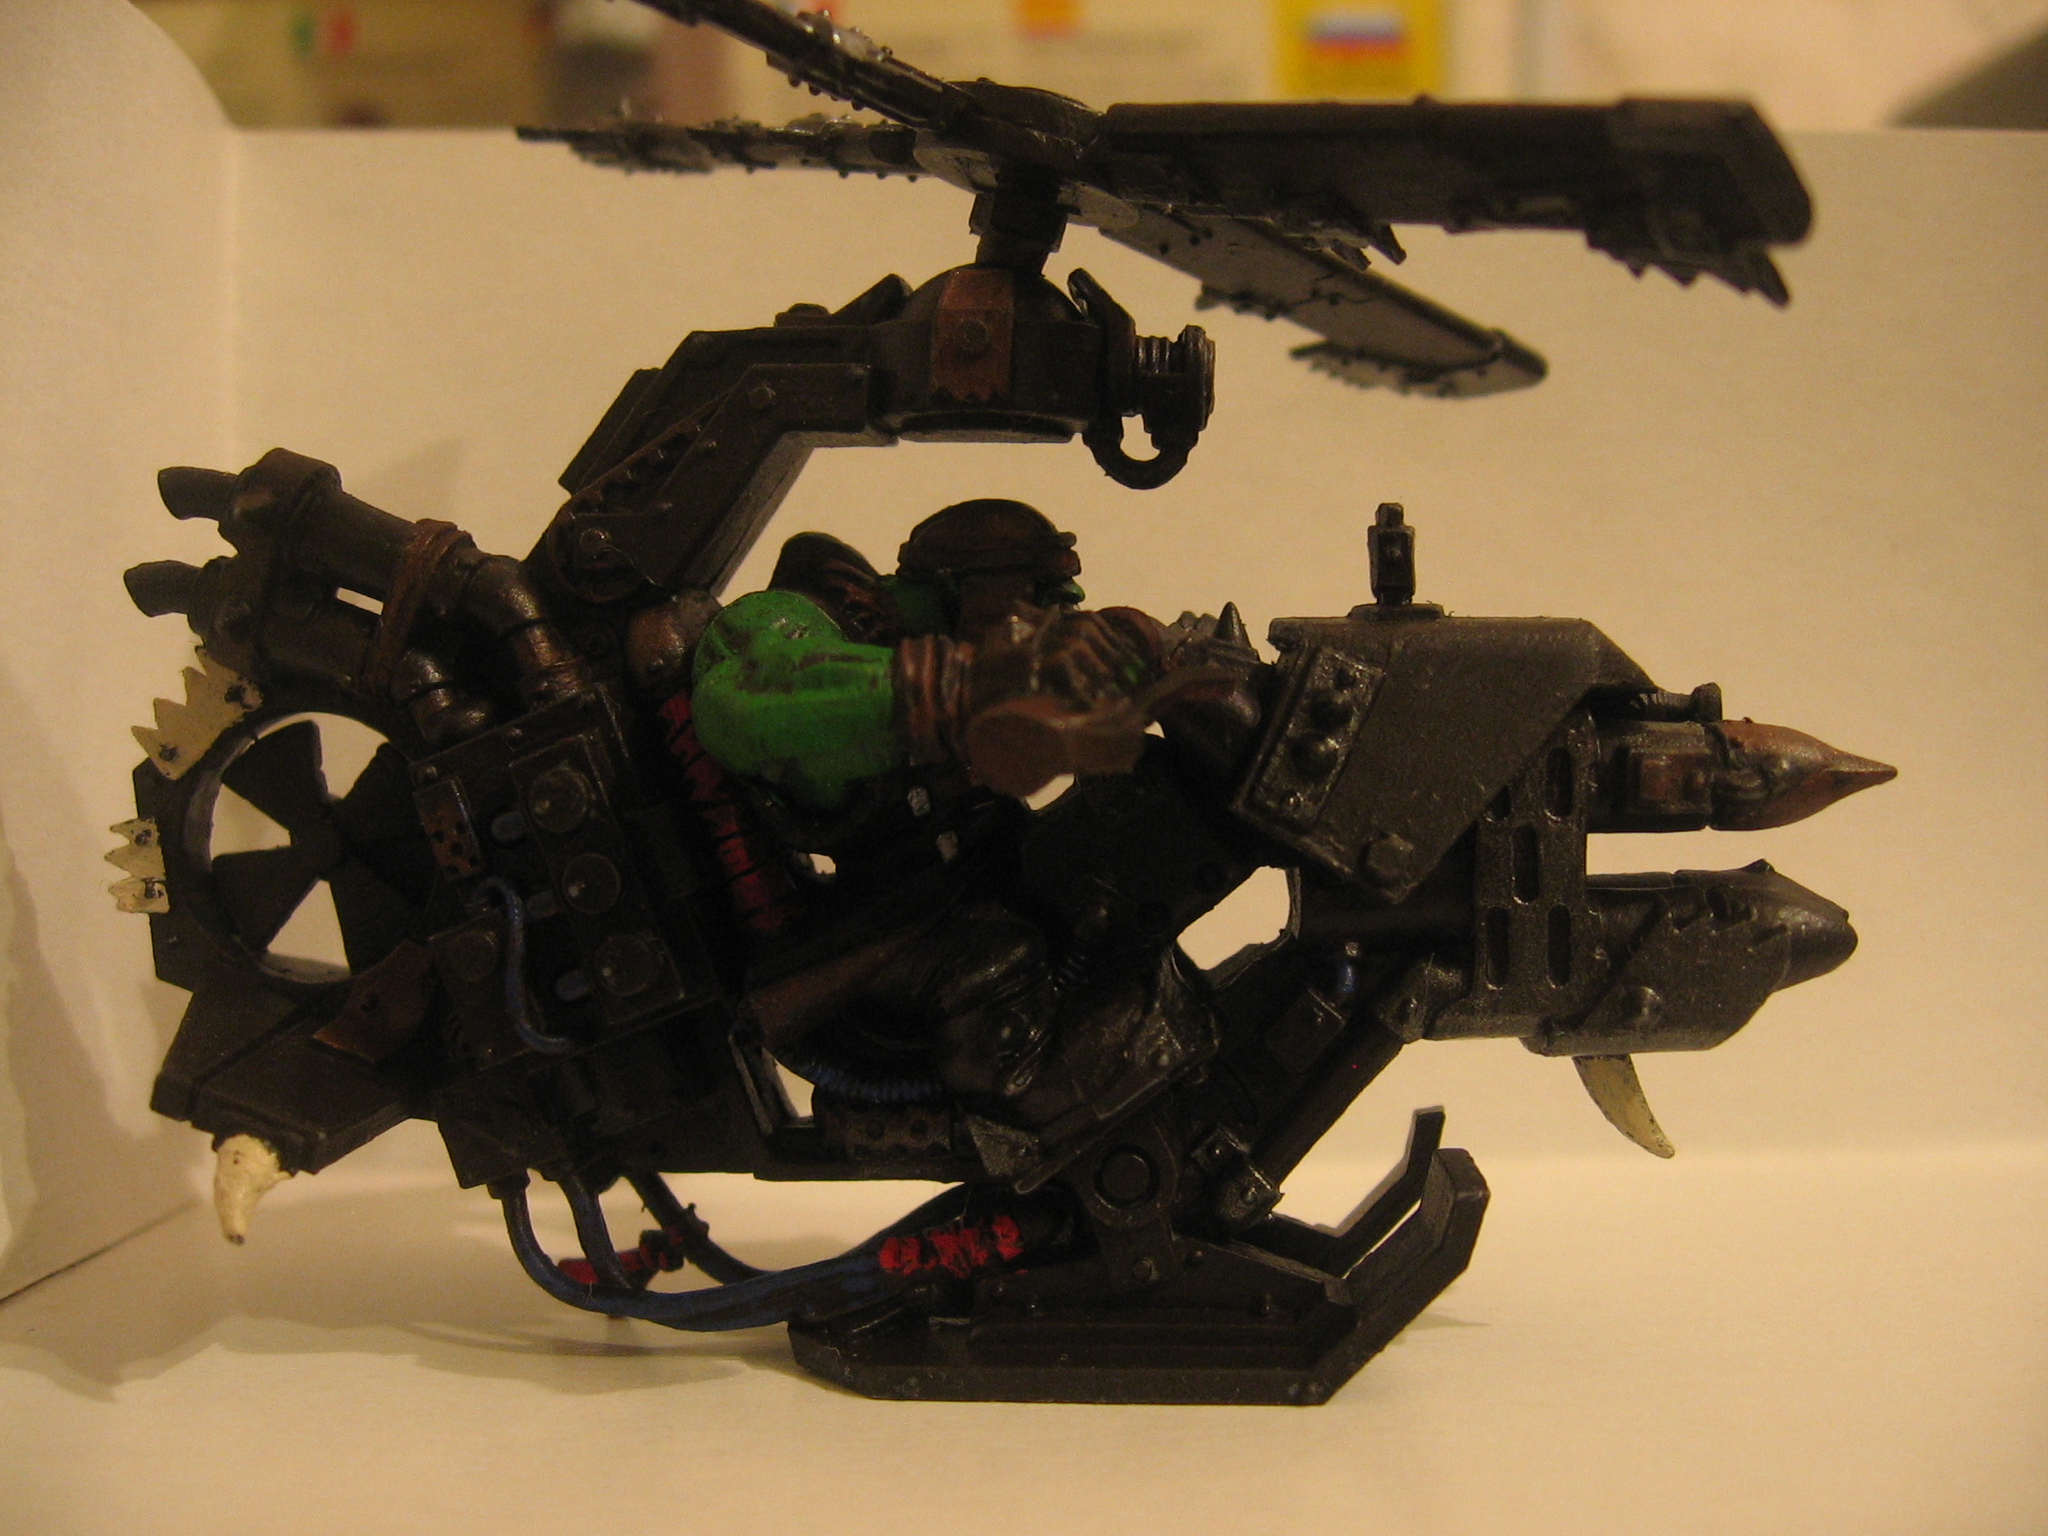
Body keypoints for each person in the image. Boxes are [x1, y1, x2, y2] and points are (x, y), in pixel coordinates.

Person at [675, 499, 1179, 1129]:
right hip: (889, 928)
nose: (1047, 619)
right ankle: (1033, 1138)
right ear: (963, 589)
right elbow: (740, 705)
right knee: (1008, 974)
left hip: (976, 871)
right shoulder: (796, 621)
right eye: (1033, 596)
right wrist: (957, 686)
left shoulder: (968, 648)